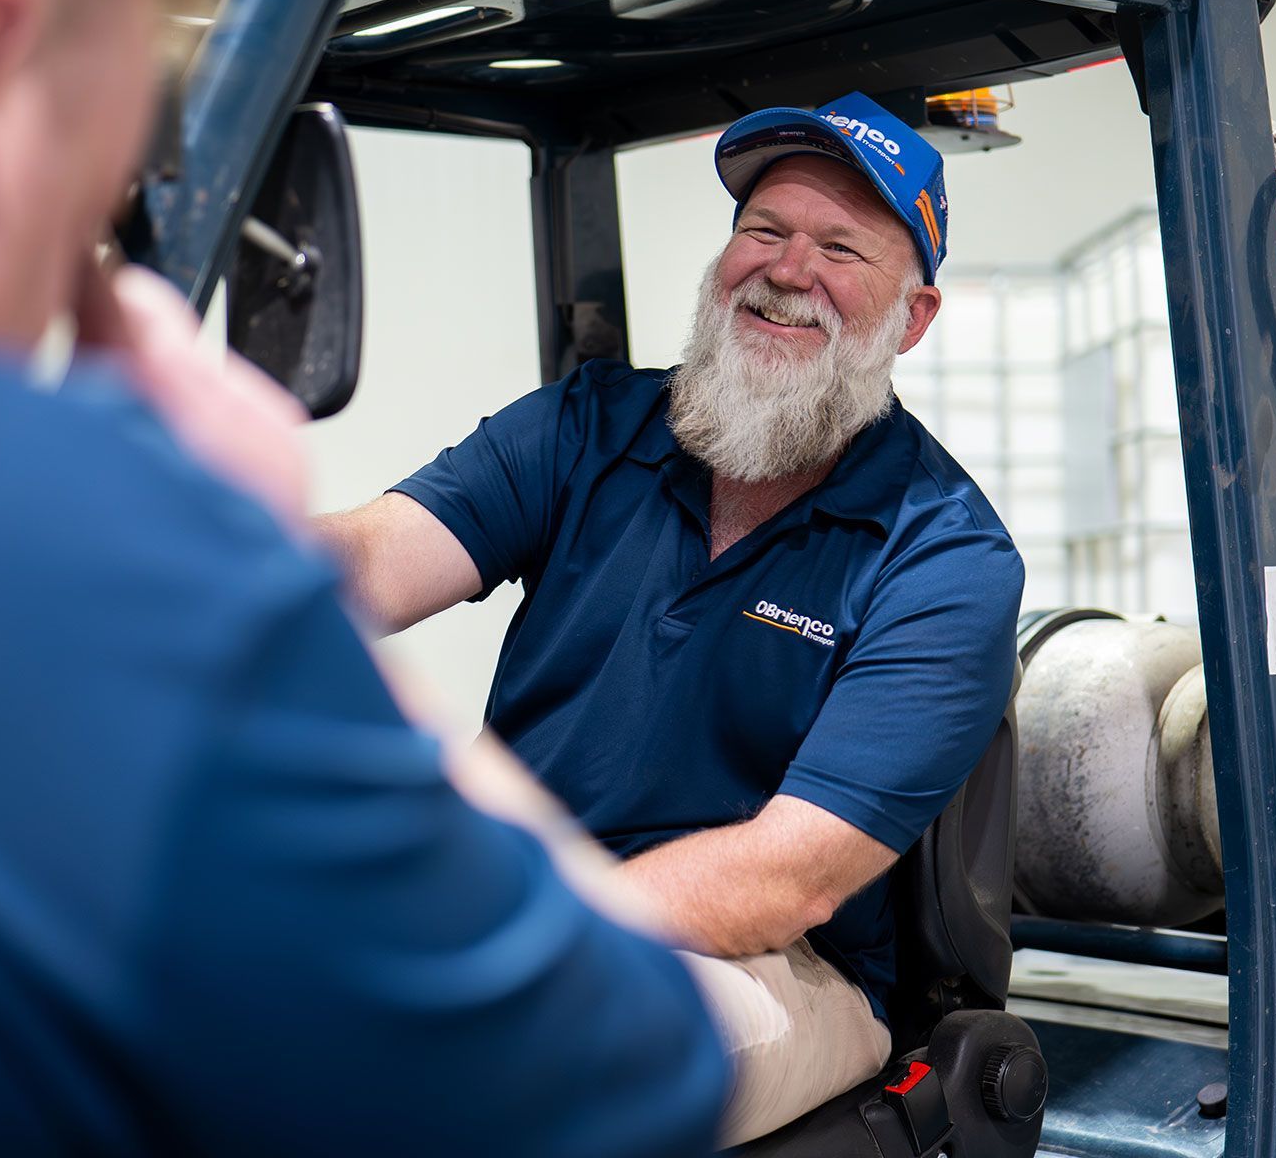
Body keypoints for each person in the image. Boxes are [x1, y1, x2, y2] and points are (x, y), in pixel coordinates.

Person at [0, 0, 727, 1155]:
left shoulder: (935, 546)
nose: (64, 285)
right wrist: (244, 552)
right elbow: (631, 1070)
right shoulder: (89, 554)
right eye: (93, 202)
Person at [316, 91, 1026, 1143]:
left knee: (506, 1050)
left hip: (773, 963)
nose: (789, 272)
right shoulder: (588, 428)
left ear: (911, 316)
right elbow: (371, 559)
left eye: (841, 246)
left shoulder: (942, 556)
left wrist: (519, 925)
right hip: (522, 899)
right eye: (764, 230)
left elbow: (788, 877)